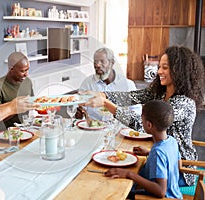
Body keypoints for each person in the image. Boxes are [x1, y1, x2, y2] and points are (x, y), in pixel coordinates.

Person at [82, 46, 205, 186]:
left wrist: (106, 104)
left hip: (178, 169)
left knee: (119, 179)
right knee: (117, 171)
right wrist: (104, 94)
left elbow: (143, 124)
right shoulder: (161, 92)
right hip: (162, 158)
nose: (159, 71)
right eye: (159, 67)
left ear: (180, 71)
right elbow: (133, 97)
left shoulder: (184, 103)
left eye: (165, 68)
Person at [105, 100, 182, 199]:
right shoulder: (171, 141)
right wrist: (149, 153)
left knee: (117, 193)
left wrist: (130, 174)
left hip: (165, 198)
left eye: (142, 119)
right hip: (176, 196)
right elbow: (177, 165)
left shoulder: (158, 152)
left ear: (149, 125)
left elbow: (161, 191)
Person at [76, 47, 139, 120]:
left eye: (102, 61)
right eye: (95, 62)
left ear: (112, 63)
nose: (98, 65)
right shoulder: (87, 83)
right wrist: (79, 111)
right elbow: (79, 109)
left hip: (119, 129)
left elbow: (136, 112)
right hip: (93, 128)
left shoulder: (128, 85)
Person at [0, 52, 34, 130]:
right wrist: (14, 108)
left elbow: (32, 101)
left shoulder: (28, 81)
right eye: (23, 71)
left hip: (26, 127)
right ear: (11, 69)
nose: (26, 74)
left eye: (27, 70)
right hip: (5, 132)